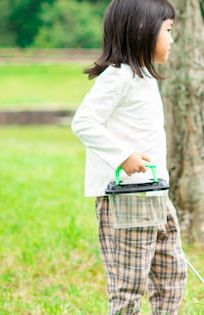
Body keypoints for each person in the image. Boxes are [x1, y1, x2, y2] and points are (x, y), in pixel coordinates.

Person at [71, 0, 186, 314]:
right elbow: (83, 122)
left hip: (153, 194)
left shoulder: (143, 76)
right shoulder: (118, 76)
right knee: (129, 285)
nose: (172, 40)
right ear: (141, 31)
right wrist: (122, 156)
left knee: (171, 274)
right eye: (168, 31)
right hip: (126, 199)